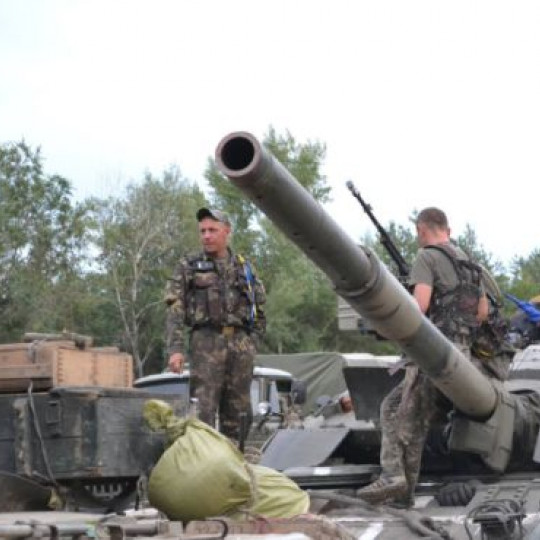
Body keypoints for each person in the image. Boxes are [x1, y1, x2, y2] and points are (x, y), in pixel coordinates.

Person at [356, 207, 490, 506]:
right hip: (463, 358)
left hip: (433, 354)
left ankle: (393, 477)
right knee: (413, 421)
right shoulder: (470, 263)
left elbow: (419, 307)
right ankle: (403, 495)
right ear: (447, 229)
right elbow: (482, 312)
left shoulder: (426, 257)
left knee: (394, 412)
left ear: (421, 230)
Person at [165, 207, 266, 443]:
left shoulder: (244, 267)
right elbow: (174, 307)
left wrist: (253, 343)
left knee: (239, 412)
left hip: (240, 344)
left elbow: (259, 306)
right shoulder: (189, 265)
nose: (206, 236)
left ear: (226, 231)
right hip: (206, 343)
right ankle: (205, 458)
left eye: (212, 230)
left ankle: (235, 458)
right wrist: (175, 349)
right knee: (203, 410)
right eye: (203, 231)